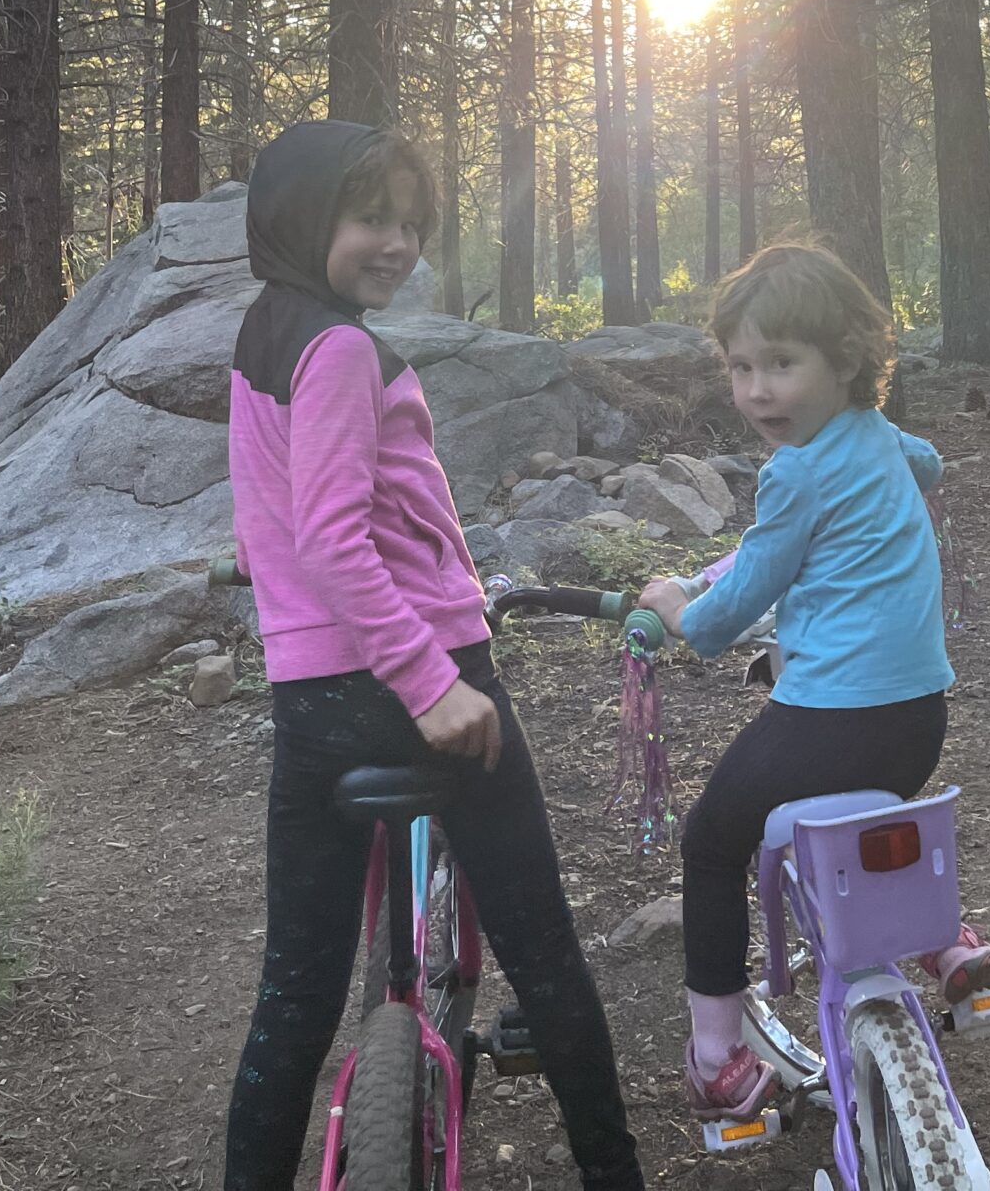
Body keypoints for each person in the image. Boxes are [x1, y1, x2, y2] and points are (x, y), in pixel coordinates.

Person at [222, 119, 645, 1191]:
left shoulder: (264, 335)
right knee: (541, 946)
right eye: (372, 217)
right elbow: (334, 531)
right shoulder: (341, 349)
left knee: (297, 990)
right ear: (307, 214)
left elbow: (288, 530)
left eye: (412, 223)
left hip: (311, 694)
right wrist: (428, 676)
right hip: (412, 676)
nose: (398, 242)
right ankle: (614, 1172)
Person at [638, 241, 990, 1122]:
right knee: (866, 823)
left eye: (783, 363)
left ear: (845, 362)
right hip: (916, 717)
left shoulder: (795, 472)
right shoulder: (877, 435)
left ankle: (715, 1058)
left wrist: (674, 605)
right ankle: (948, 946)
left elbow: (729, 615)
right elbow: (928, 465)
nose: (759, 390)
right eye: (741, 367)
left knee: (711, 840)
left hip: (827, 718)